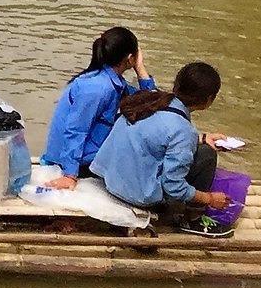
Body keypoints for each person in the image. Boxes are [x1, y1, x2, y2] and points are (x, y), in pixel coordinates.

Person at [92, 63, 230, 220]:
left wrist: (201, 138)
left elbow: (156, 137)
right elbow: (173, 186)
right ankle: (192, 218)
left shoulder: (148, 100)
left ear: (176, 85)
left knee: (198, 150)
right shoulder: (183, 130)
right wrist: (209, 198)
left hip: (110, 180)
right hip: (139, 196)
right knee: (207, 154)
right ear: (208, 100)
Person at [43, 27, 156, 187]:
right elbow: (76, 130)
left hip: (87, 153)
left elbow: (151, 102)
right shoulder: (98, 87)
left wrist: (140, 70)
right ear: (130, 58)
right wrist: (70, 175)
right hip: (73, 162)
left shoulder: (111, 81)